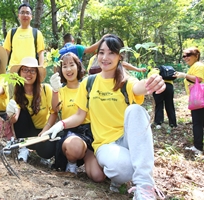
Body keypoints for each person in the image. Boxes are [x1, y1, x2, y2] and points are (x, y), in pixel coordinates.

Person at [42, 34, 166, 199]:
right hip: (106, 145)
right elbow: (79, 116)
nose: (105, 57)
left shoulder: (126, 81)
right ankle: (128, 173)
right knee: (123, 170)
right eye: (101, 52)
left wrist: (152, 82)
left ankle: (145, 187)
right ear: (96, 55)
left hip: (128, 141)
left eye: (111, 53)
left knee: (135, 110)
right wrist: (60, 125)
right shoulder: (89, 83)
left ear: (120, 56)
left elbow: (138, 87)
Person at [49, 52, 105, 182]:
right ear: (61, 70)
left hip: (90, 133)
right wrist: (55, 91)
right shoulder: (61, 90)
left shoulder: (88, 86)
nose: (68, 69)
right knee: (75, 147)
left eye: (71, 65)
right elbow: (55, 109)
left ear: (78, 67)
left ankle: (87, 157)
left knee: (98, 176)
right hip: (71, 132)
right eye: (64, 66)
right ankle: (72, 164)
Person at [6, 57, 58, 163]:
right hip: (27, 133)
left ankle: (43, 156)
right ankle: (23, 148)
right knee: (23, 113)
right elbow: (16, 119)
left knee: (47, 150)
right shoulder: (16, 94)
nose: (28, 73)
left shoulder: (45, 89)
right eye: (25, 70)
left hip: (43, 131)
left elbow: (54, 112)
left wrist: (45, 131)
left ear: (37, 74)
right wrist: (10, 114)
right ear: (20, 73)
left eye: (32, 70)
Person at [174, 47, 204, 155]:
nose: (186, 58)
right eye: (184, 56)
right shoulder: (193, 66)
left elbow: (199, 79)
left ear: (196, 56)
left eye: (188, 55)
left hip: (200, 99)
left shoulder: (198, 66)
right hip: (198, 98)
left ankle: (198, 147)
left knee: (197, 123)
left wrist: (185, 75)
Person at [3, 2, 45, 68]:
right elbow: (6, 52)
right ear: (18, 16)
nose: (25, 15)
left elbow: (40, 53)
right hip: (13, 71)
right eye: (22, 12)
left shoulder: (37, 33)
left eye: (27, 13)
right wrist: (2, 68)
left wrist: (41, 67)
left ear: (31, 16)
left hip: (30, 70)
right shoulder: (11, 32)